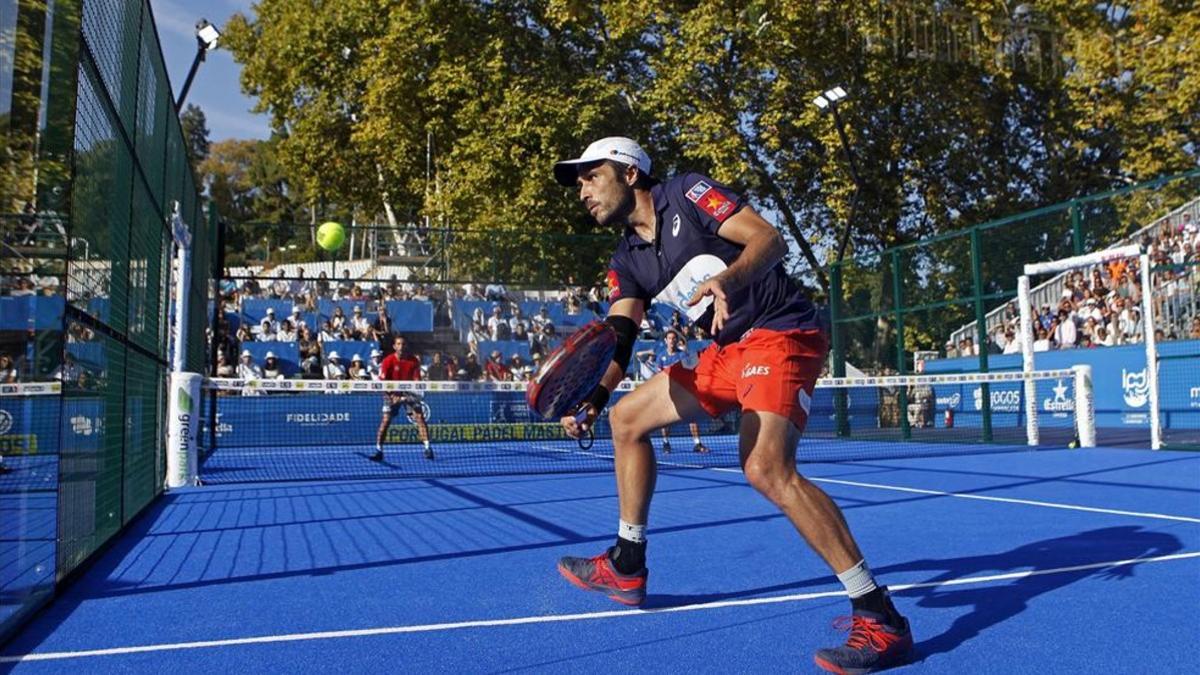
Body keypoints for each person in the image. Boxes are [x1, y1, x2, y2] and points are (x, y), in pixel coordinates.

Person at [551, 137, 911, 672]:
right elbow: (620, 336)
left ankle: (879, 615)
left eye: (589, 175)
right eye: (577, 181)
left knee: (766, 468)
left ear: (629, 173)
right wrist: (596, 397)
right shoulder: (627, 258)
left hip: (781, 332)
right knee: (627, 418)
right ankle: (627, 561)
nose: (582, 189)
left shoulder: (688, 193)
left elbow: (770, 240)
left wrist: (729, 276)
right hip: (726, 351)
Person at [635, 330, 709, 454]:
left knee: (692, 417)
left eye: (674, 338)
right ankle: (666, 443)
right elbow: (659, 374)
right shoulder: (661, 357)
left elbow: (689, 371)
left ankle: (697, 443)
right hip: (666, 392)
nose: (672, 341)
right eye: (669, 338)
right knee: (665, 419)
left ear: (676, 340)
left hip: (682, 391)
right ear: (666, 341)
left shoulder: (682, 355)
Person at [373, 336, 433, 462]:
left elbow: (417, 382)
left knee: (419, 418)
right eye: (398, 344)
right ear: (394, 346)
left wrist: (407, 397)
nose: (401, 346)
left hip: (409, 392)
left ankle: (428, 448)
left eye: (403, 344)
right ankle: (379, 450)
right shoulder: (388, 361)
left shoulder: (413, 361)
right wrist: (391, 396)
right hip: (391, 392)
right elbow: (382, 382)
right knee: (386, 420)